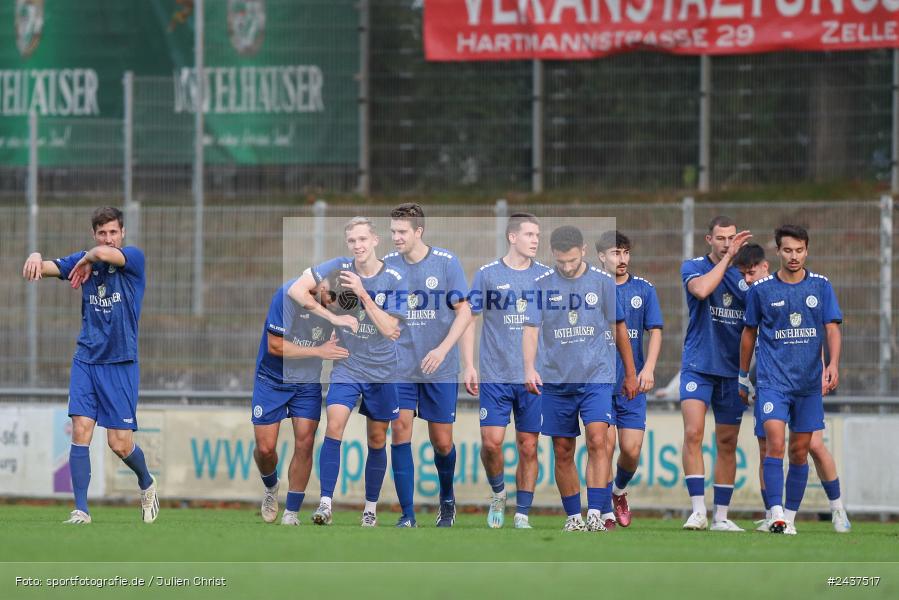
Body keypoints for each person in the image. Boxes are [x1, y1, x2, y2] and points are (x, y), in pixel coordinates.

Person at [22, 206, 156, 524]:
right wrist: (35, 254)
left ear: (122, 234)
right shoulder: (87, 259)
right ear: (94, 234)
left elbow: (101, 255)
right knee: (81, 429)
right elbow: (47, 266)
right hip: (86, 359)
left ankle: (147, 483)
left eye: (113, 232)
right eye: (101, 233)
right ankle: (81, 509)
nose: (108, 238)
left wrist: (86, 259)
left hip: (120, 363)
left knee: (119, 444)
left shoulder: (133, 259)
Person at [288, 217, 405, 527]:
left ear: (375, 240)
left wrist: (363, 294)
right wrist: (333, 318)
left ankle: (370, 509)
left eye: (363, 239)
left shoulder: (394, 277)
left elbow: (392, 330)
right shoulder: (339, 267)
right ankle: (326, 503)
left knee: (377, 439)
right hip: (348, 365)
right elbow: (297, 291)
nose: (358, 245)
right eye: (352, 241)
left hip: (382, 370)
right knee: (334, 424)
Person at [522, 226, 638, 532]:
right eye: (561, 262)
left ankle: (596, 515)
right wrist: (528, 368)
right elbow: (531, 330)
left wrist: (630, 372)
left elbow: (619, 329)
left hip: (596, 378)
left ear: (584, 251)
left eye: (572, 260)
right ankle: (574, 517)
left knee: (599, 439)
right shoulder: (541, 285)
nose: (567, 267)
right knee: (563, 449)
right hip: (557, 381)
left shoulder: (602, 283)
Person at [738, 227, 844, 535]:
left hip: (809, 384)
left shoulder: (821, 287)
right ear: (778, 252)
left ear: (807, 250)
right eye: (787, 250)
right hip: (773, 382)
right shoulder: (762, 290)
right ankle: (776, 514)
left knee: (800, 451)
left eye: (799, 250)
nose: (793, 256)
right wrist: (743, 377)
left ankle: (791, 518)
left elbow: (832, 329)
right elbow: (749, 334)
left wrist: (833, 364)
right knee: (774, 441)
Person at [384, 203, 472, 528]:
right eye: (393, 231)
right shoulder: (388, 266)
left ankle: (447, 500)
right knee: (400, 431)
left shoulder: (447, 263)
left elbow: (465, 312)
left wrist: (443, 349)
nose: (395, 237)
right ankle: (407, 514)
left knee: (442, 442)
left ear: (418, 232)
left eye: (402, 232)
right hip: (401, 366)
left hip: (441, 366)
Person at [461, 213, 546, 529]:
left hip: (532, 379)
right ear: (512, 237)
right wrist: (469, 364)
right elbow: (469, 319)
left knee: (529, 446)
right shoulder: (488, 275)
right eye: (529, 234)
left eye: (537, 234)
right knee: (491, 443)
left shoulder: (547, 277)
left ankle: (522, 513)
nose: (535, 240)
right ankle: (498, 494)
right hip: (496, 375)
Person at [251, 273, 348, 525]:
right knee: (264, 449)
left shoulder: (336, 308)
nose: (336, 308)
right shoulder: (287, 296)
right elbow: (275, 346)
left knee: (304, 445)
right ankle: (271, 487)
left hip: (306, 385)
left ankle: (291, 513)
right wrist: (319, 351)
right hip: (271, 380)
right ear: (323, 287)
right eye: (333, 300)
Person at [680, 216, 752, 532]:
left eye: (732, 238)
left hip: (732, 371)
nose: (728, 244)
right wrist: (726, 260)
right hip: (698, 364)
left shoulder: (746, 275)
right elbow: (702, 290)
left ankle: (721, 516)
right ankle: (698, 511)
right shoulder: (693, 267)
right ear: (709, 240)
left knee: (727, 441)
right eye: (721, 238)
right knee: (694, 432)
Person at [596, 230, 663, 529]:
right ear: (601, 257)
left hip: (632, 383)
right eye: (614, 253)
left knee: (631, 450)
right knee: (604, 448)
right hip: (600, 383)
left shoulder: (644, 290)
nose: (621, 259)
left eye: (625, 252)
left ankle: (618, 492)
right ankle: (604, 512)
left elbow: (656, 331)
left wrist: (648, 368)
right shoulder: (591, 290)